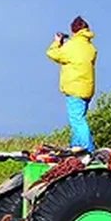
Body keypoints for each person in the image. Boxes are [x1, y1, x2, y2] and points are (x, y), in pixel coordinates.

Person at [46, 16, 97, 152]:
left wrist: (57, 42)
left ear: (73, 31)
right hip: (87, 88)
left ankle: (88, 150)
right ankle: (76, 147)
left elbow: (52, 53)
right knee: (79, 119)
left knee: (77, 120)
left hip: (75, 88)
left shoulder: (71, 46)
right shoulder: (90, 47)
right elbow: (75, 58)